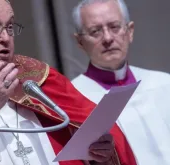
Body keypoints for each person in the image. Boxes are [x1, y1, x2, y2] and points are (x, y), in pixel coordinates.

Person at [0, 0, 126, 164]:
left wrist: (96, 151)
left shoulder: (36, 74)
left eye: (10, 27)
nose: (5, 37)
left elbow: (83, 136)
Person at [72, 0, 170, 165]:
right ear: (80, 42)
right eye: (95, 31)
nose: (108, 38)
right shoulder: (73, 98)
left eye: (114, 27)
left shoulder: (164, 83)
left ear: (130, 31)